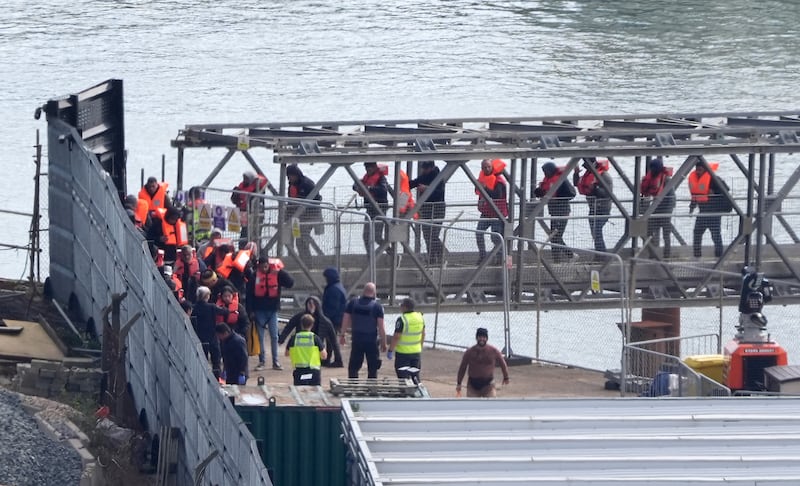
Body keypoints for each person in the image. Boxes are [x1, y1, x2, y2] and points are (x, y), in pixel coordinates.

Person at [246, 255, 294, 371]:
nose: (264, 268)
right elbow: (249, 296)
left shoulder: (277, 274)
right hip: (259, 311)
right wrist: (250, 311)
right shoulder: (254, 277)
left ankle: (275, 361)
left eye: (266, 266)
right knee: (261, 337)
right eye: (262, 266)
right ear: (259, 266)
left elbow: (290, 283)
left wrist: (280, 271)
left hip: (272, 311)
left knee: (274, 336)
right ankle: (262, 361)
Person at [339, 282, 387, 379]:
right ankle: (371, 388)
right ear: (374, 293)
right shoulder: (377, 307)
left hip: (357, 339)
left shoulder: (353, 303)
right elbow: (381, 327)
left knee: (354, 366)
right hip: (371, 340)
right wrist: (383, 342)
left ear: (363, 291)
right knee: (373, 367)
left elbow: (345, 319)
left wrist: (342, 335)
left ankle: (353, 386)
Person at [279, 295, 343, 367]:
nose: (311, 306)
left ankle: (326, 360)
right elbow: (289, 327)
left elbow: (333, 341)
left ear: (317, 305)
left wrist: (338, 360)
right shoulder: (299, 317)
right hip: (301, 352)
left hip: (316, 351)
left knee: (329, 339)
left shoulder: (325, 321)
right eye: (309, 304)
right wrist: (281, 339)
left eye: (313, 304)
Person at [534, 161, 576, 262]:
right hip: (553, 212)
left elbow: (572, 193)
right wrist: (539, 192)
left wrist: (558, 197)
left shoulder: (562, 180)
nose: (545, 173)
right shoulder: (547, 180)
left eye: (546, 171)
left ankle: (571, 255)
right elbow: (544, 192)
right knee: (553, 237)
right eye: (544, 172)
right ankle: (556, 259)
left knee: (556, 236)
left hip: (562, 212)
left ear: (551, 170)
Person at [408, 160, 446, 264]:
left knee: (433, 235)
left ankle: (442, 253)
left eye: (425, 168)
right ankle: (432, 258)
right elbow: (414, 183)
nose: (423, 170)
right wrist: (403, 184)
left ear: (431, 168)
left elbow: (440, 193)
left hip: (438, 209)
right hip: (426, 209)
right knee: (426, 235)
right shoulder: (424, 175)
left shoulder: (438, 176)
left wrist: (427, 188)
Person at [456, 327, 510, 398]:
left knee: (491, 406)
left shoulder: (494, 351)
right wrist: (459, 383)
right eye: (479, 337)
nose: (482, 339)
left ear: (487, 339)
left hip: (489, 386)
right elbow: (463, 367)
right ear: (476, 338)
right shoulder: (469, 352)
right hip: (472, 386)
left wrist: (506, 377)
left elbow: (503, 364)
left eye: (484, 337)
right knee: (472, 407)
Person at [574, 158, 613, 253]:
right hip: (592, 208)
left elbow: (607, 193)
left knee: (597, 231)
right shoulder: (588, 175)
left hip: (603, 209)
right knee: (595, 232)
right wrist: (576, 174)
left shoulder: (604, 176)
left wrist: (595, 189)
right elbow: (577, 183)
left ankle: (602, 254)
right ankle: (599, 253)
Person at [286, 164, 323, 261]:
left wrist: (302, 203)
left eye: (291, 176)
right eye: (288, 176)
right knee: (289, 238)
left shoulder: (307, 184)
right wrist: (286, 217)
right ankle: (294, 261)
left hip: (309, 217)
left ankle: (307, 263)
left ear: (296, 175)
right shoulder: (291, 185)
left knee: (301, 240)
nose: (289, 178)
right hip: (296, 218)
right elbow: (290, 202)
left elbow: (317, 200)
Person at [640, 157, 676, 259]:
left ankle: (666, 255)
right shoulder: (650, 178)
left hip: (665, 210)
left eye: (653, 168)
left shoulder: (667, 180)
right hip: (655, 209)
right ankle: (652, 253)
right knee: (650, 231)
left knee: (666, 234)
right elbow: (644, 191)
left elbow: (672, 198)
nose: (652, 170)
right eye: (651, 168)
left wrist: (667, 212)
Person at [688, 159, 724, 258]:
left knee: (716, 235)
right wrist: (691, 207)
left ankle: (719, 256)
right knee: (697, 233)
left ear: (705, 170)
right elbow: (695, 196)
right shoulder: (696, 180)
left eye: (700, 170)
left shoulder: (715, 180)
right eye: (697, 170)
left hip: (714, 213)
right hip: (703, 212)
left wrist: (714, 193)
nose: (698, 173)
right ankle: (697, 256)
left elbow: (726, 191)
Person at [475, 159, 508, 265]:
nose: (486, 169)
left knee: (496, 237)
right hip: (486, 212)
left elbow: (497, 195)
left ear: (492, 167)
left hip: (497, 214)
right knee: (479, 233)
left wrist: (485, 188)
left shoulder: (499, 181)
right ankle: (483, 256)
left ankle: (500, 259)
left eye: (488, 167)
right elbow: (477, 191)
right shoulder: (482, 179)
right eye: (484, 167)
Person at [353, 162, 390, 254]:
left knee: (377, 237)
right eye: (366, 168)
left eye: (369, 168)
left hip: (380, 210)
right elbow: (355, 184)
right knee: (366, 236)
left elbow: (383, 190)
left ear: (374, 168)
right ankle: (370, 258)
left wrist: (368, 188)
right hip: (369, 209)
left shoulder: (381, 178)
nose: (367, 170)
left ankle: (393, 254)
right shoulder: (366, 178)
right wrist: (357, 187)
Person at [190, 286, 226, 379]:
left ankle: (203, 378)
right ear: (207, 296)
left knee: (203, 360)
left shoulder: (194, 308)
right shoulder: (211, 307)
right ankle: (216, 378)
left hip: (199, 337)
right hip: (212, 336)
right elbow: (224, 312)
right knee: (216, 360)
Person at [387, 298, 425, 381]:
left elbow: (396, 337)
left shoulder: (402, 319)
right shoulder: (420, 317)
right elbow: (423, 334)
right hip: (416, 353)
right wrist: (420, 347)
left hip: (403, 354)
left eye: (401, 305)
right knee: (415, 377)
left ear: (405, 307)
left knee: (403, 378)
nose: (400, 307)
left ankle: (405, 393)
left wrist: (390, 350)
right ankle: (417, 392)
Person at [285, 314, 328, 386]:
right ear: (312, 325)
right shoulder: (315, 338)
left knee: (299, 393)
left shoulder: (294, 338)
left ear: (301, 324)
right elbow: (324, 356)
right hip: (313, 371)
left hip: (299, 371)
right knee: (315, 392)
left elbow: (286, 354)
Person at [231, 171, 269, 243]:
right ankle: (243, 246)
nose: (245, 180)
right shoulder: (240, 188)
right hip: (243, 213)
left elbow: (258, 200)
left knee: (254, 234)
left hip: (254, 215)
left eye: (247, 178)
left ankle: (254, 248)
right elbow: (234, 200)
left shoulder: (257, 189)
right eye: (244, 178)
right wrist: (235, 195)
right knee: (245, 232)